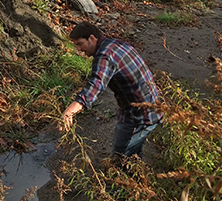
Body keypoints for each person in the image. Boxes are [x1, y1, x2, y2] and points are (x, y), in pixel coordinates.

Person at [60, 21, 162, 163]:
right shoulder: (115, 43)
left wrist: (70, 111)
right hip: (142, 106)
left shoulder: (104, 55)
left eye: (80, 44)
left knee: (123, 158)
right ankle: (131, 175)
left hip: (142, 114)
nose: (78, 49)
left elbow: (95, 85)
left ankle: (125, 181)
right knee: (126, 154)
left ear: (92, 38)